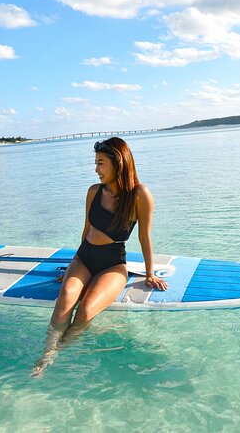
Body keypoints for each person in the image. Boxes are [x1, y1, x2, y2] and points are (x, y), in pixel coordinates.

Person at [32, 137, 167, 377]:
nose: (96, 169)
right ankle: (45, 354)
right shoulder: (93, 192)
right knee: (65, 298)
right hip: (83, 259)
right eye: (95, 163)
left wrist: (149, 274)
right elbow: (86, 231)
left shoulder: (140, 195)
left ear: (118, 163)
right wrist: (73, 269)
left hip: (113, 264)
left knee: (85, 312)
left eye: (101, 163)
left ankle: (56, 354)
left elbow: (144, 238)